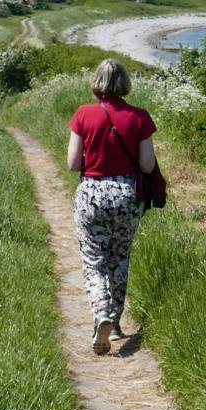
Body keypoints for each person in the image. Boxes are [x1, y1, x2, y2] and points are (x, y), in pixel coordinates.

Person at [66, 58, 156, 354]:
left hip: (91, 193)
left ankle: (101, 313)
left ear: (96, 82)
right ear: (125, 84)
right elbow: (146, 164)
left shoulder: (83, 114)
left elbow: (72, 163)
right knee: (120, 258)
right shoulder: (140, 117)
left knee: (94, 261)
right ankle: (115, 324)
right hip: (127, 195)